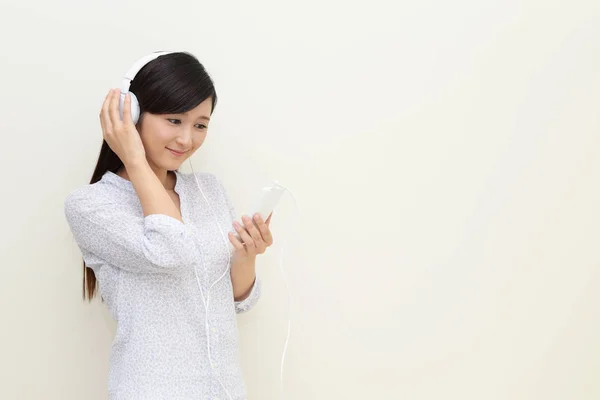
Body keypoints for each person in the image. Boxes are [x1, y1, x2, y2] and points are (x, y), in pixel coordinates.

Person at [64, 51, 272, 400]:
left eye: (200, 125)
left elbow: (236, 302)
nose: (187, 140)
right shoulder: (91, 206)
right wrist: (132, 156)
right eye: (174, 120)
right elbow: (171, 251)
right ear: (130, 115)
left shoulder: (208, 191)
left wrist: (246, 257)